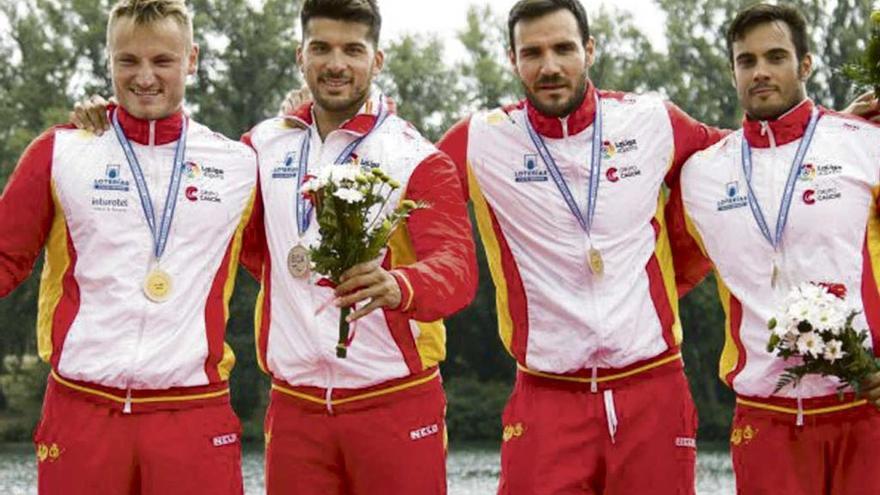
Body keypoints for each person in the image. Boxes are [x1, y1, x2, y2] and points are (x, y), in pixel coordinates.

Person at [434, 1, 726, 493]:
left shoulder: (650, 120)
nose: (549, 67)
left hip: (651, 387)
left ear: (589, 50)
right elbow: (399, 186)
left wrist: (824, 131)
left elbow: (744, 162)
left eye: (564, 48)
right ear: (512, 59)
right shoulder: (481, 140)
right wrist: (318, 130)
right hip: (547, 396)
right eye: (533, 52)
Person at [0, 0, 257, 494]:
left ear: (192, 60)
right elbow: (6, 258)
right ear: (109, 60)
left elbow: (289, 255)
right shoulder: (62, 151)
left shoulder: (240, 165)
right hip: (82, 409)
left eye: (162, 61)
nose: (144, 77)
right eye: (128, 61)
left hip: (192, 411)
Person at [675, 4, 880, 494]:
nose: (760, 71)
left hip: (865, 407)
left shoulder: (863, 143)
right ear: (732, 71)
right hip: (765, 419)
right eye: (746, 61)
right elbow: (662, 275)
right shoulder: (702, 175)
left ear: (805, 64)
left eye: (776, 57)